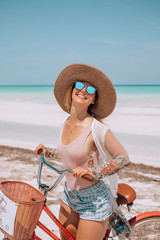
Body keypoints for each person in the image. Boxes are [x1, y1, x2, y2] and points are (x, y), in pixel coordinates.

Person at [36, 63, 131, 240]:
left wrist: (94, 172)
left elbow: (123, 158)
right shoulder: (64, 123)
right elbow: (71, 152)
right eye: (79, 85)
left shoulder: (97, 129)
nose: (83, 90)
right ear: (72, 90)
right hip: (69, 195)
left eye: (91, 89)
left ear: (94, 99)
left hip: (94, 200)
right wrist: (48, 151)